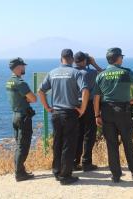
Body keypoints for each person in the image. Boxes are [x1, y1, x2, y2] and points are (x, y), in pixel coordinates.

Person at [93, 48, 133, 183]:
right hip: (123, 111)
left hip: (106, 111)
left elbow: (96, 98)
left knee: (111, 144)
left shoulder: (101, 75)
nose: (122, 59)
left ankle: (116, 175)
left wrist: (97, 115)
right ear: (118, 58)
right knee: (128, 143)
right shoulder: (126, 72)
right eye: (121, 57)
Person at [38, 49, 89, 185]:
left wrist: (47, 107)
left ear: (61, 59)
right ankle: (65, 176)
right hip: (70, 113)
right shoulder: (76, 73)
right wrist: (83, 109)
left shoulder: (52, 73)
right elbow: (85, 90)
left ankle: (57, 171)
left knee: (57, 143)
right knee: (69, 144)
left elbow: (40, 91)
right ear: (71, 59)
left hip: (56, 114)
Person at [6, 57, 37, 182]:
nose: (24, 68)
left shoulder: (9, 81)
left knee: (19, 145)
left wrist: (25, 99)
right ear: (18, 67)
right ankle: (19, 173)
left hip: (15, 116)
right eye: (23, 66)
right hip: (23, 117)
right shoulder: (20, 83)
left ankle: (20, 170)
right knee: (23, 146)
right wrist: (27, 99)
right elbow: (33, 99)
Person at [73, 52, 103, 172]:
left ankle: (74, 162)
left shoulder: (71, 72)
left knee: (77, 134)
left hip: (74, 106)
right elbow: (103, 74)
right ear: (85, 60)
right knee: (89, 135)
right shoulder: (89, 73)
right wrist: (94, 64)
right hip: (89, 106)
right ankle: (86, 162)